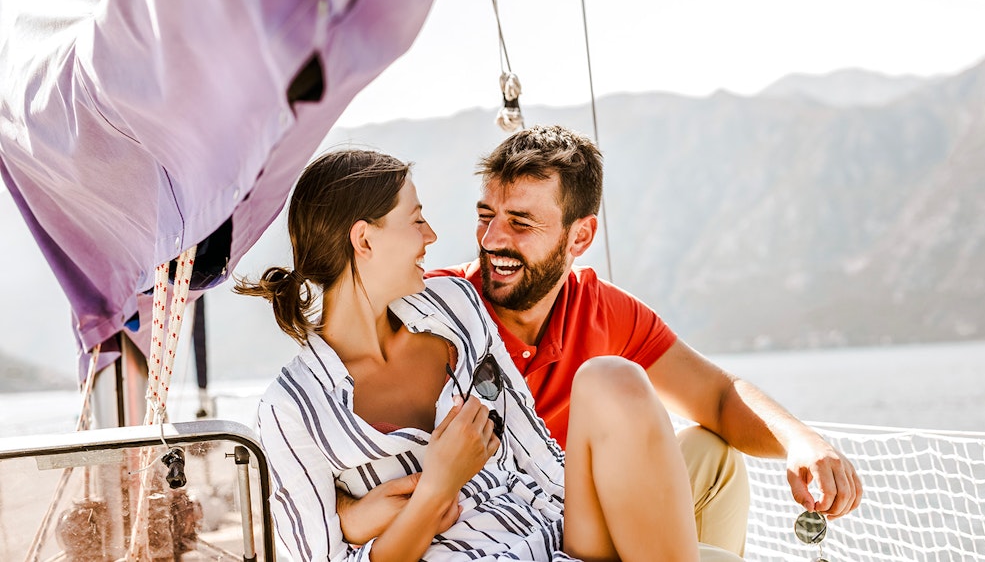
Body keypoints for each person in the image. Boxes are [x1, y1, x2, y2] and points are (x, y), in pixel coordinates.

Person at [341, 124, 863, 557]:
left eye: (521, 223)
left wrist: (802, 441)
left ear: (580, 237)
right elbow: (338, 442)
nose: (492, 239)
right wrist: (354, 512)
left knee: (714, 454)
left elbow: (721, 398)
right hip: (505, 534)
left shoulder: (603, 309)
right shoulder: (435, 312)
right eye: (486, 217)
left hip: (581, 512)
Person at [237, 149, 742, 561]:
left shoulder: (455, 307)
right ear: (364, 240)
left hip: (554, 536)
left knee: (613, 379)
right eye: (416, 221)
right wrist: (437, 487)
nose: (432, 237)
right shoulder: (290, 410)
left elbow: (539, 455)